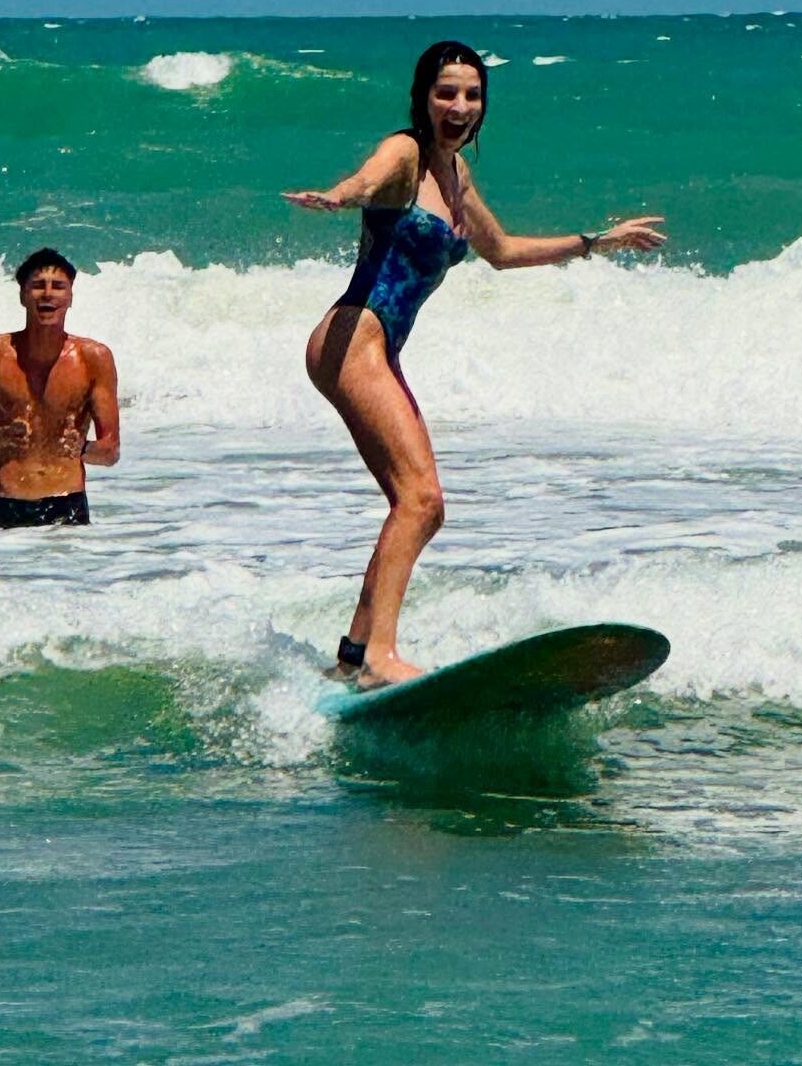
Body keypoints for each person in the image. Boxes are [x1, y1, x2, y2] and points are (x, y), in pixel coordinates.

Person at [284, 40, 664, 687]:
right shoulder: (406, 154)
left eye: (472, 94)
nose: (460, 106)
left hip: (374, 348)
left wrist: (596, 242)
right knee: (421, 500)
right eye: (446, 93)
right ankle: (379, 658)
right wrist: (342, 196)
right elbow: (370, 178)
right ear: (423, 99)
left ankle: (353, 654)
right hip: (353, 338)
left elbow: (502, 250)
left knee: (417, 505)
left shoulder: (455, 178)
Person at [0, 248, 120, 529]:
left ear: (70, 297)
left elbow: (110, 451)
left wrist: (82, 448)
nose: (48, 293)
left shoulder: (94, 358)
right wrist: (3, 436)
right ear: (22, 295)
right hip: (10, 507)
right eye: (38, 285)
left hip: (68, 506)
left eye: (58, 286)